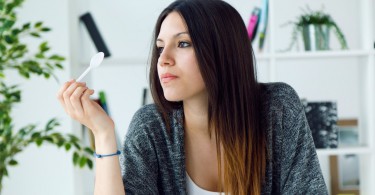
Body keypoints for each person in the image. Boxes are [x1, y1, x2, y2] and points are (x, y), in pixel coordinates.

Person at [57, 0, 328, 194]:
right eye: (160, 47)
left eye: (183, 43)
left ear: (223, 51)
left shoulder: (277, 108)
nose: (163, 60)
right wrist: (103, 133)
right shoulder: (151, 128)